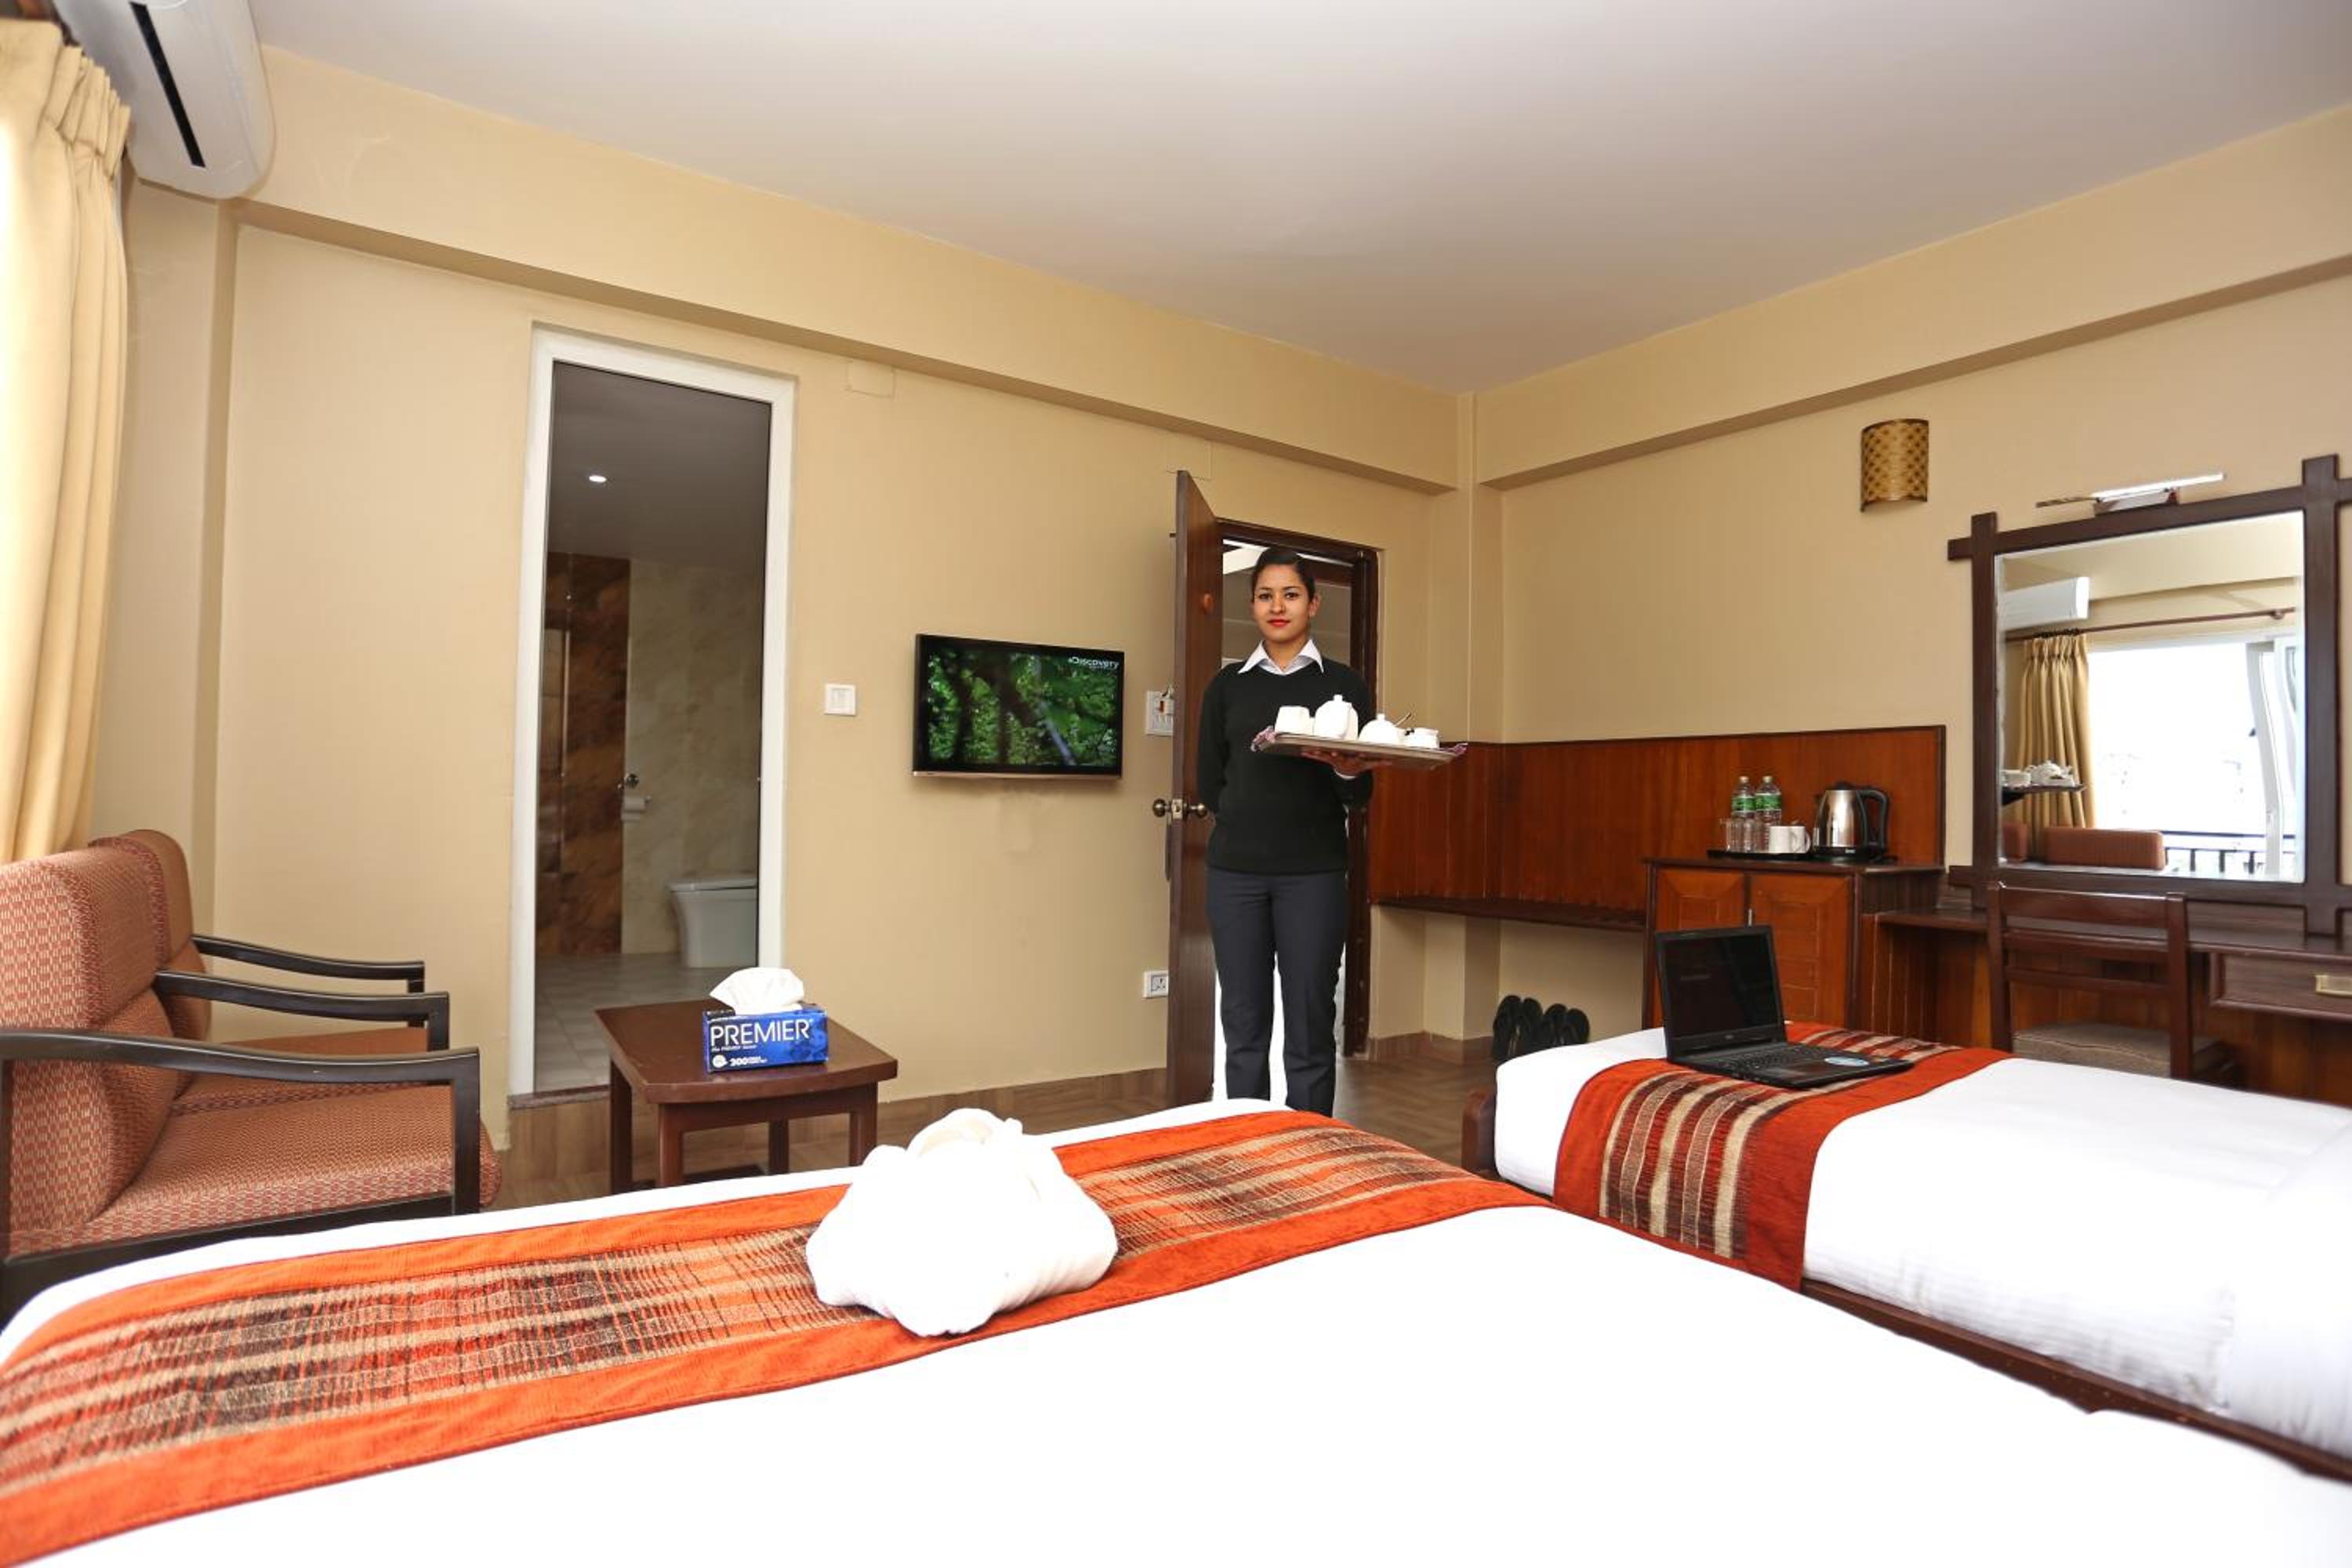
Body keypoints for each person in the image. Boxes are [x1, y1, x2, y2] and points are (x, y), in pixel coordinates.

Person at [1193, 547, 1383, 1116]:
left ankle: (1312, 1144)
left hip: (1315, 876)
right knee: (1243, 1023)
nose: (1278, 607)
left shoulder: (1345, 685)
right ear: (1252, 605)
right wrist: (1248, 818)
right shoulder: (1227, 687)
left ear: (1313, 604)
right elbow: (1210, 783)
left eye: (1291, 595)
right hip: (1236, 876)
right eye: (1265, 596)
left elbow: (1359, 793)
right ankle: (1250, 1144)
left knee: (1310, 1021)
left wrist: (1346, 772)